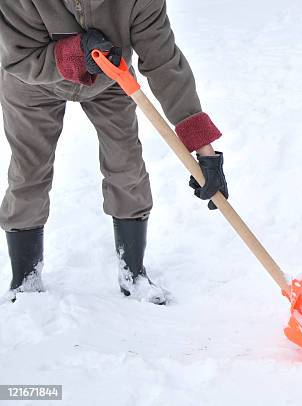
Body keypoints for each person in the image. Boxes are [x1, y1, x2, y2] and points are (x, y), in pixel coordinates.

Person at [0, 0, 229, 305]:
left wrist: (204, 148)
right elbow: (19, 58)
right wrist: (76, 53)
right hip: (33, 84)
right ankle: (25, 278)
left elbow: (163, 62)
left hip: (110, 78)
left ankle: (132, 273)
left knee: (127, 166)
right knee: (29, 171)